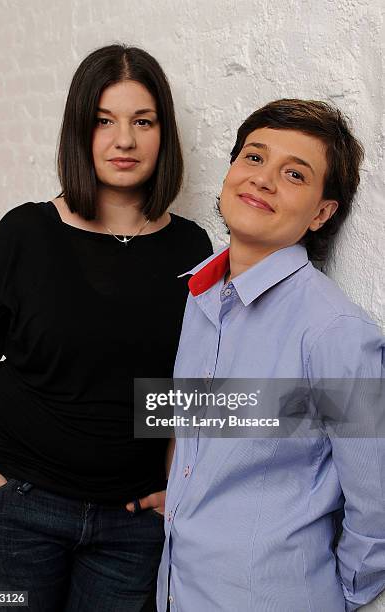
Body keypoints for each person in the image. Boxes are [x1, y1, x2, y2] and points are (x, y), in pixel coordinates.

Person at [0, 44, 212, 611]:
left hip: (129, 529)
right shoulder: (26, 232)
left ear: (162, 134)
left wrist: (178, 490)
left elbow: (186, 385)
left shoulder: (191, 248)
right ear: (80, 131)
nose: (124, 140)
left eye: (141, 121)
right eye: (104, 121)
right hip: (12, 509)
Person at [156, 99, 385, 611]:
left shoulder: (333, 331)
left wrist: (333, 594)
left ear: (322, 213)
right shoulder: (200, 296)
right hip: (180, 590)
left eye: (295, 174)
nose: (262, 180)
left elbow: (377, 502)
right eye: (254, 158)